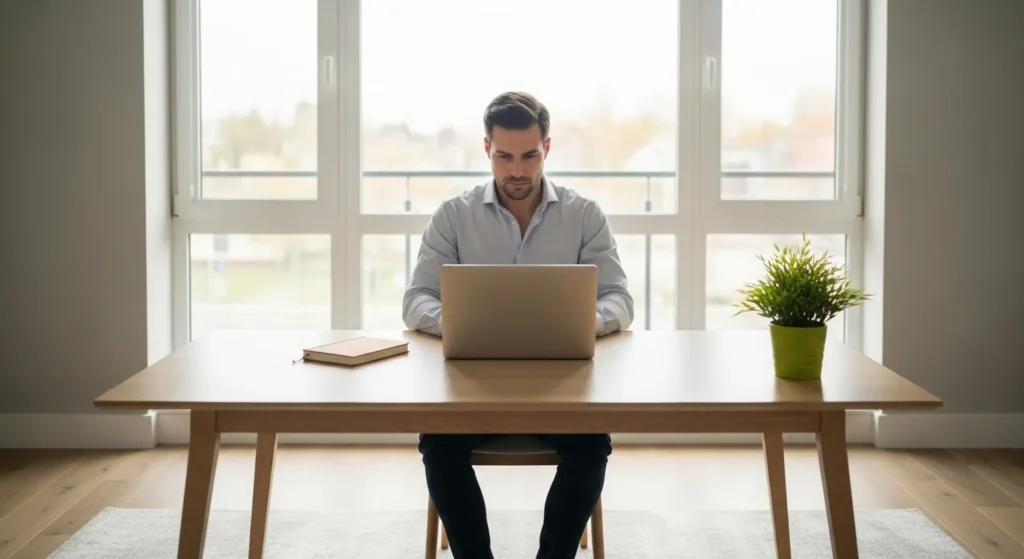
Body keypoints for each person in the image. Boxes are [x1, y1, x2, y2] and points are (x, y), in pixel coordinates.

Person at [402, 91, 634, 559]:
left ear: (547, 148)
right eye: (504, 156)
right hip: (471, 390)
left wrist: (577, 323)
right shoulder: (454, 216)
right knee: (438, 443)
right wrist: (463, 325)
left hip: (561, 391)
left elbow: (620, 300)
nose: (517, 171)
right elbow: (416, 300)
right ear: (486, 148)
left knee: (592, 444)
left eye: (529, 156)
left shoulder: (584, 215)